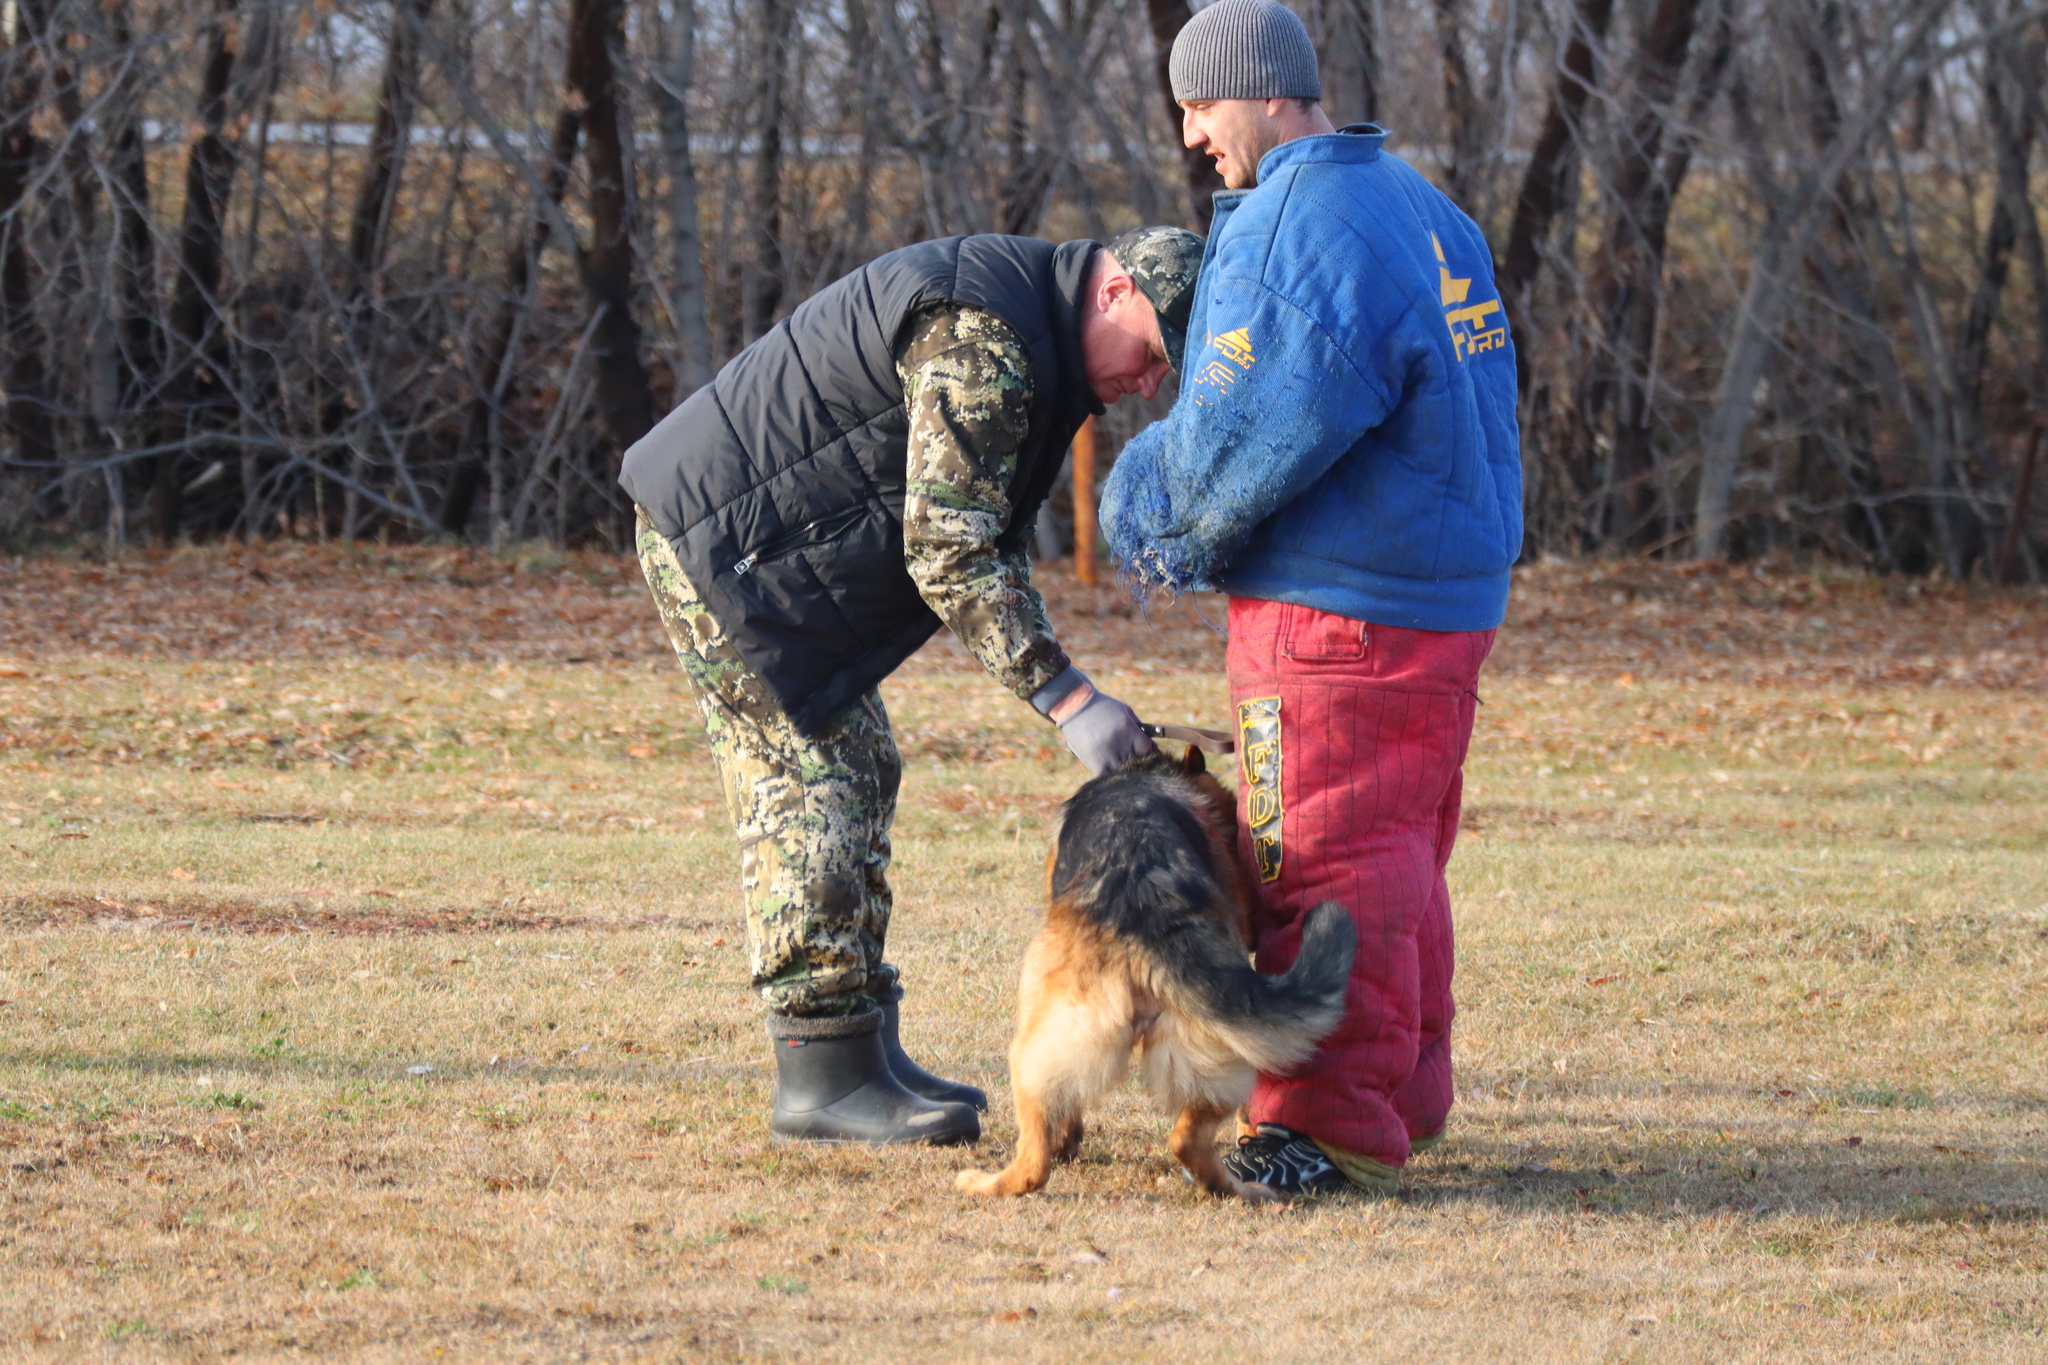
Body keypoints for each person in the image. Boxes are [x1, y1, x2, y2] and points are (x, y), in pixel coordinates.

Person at [620, 227, 1206, 1146]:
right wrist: (1070, 699)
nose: (1151, 383)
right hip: (727, 548)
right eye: (1156, 353)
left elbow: (987, 532)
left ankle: (864, 1048)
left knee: (864, 764)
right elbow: (949, 550)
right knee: (819, 784)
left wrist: (1064, 678)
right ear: (1114, 291)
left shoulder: (1033, 333)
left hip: (766, 544)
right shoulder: (989, 338)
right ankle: (822, 1077)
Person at [1101, 0, 1522, 1194]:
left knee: (1319, 862)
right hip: (1439, 594)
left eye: (1198, 105)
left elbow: (1237, 441)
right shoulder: (1419, 208)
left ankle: (1323, 1124)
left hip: (1338, 612)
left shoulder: (1299, 219)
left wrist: (1141, 512)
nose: (1192, 137)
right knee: (1398, 854)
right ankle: (1403, 1089)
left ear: (1258, 91)